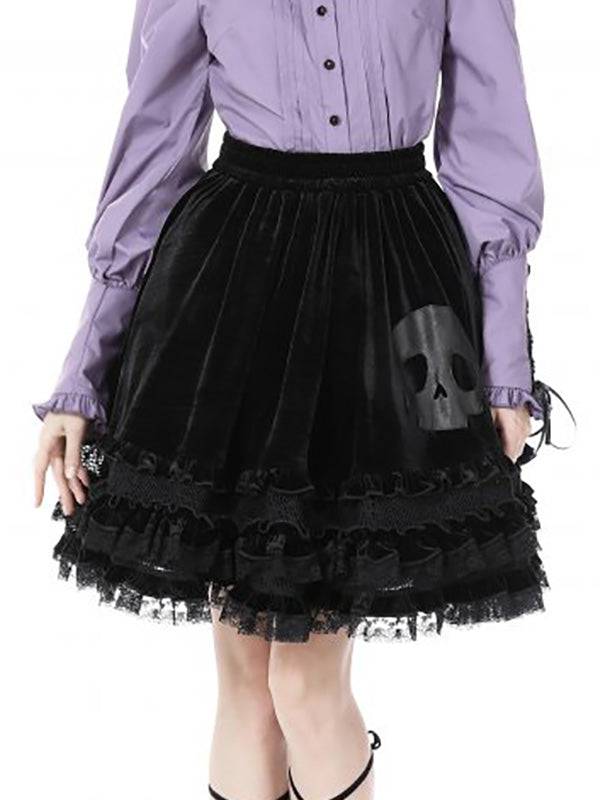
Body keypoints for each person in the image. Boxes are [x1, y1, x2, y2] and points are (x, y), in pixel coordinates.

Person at [31, 3, 569, 799]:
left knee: (304, 685)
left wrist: (503, 367)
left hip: (400, 286)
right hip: (231, 289)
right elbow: (153, 149)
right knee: (248, 684)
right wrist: (83, 375)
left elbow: (491, 147)